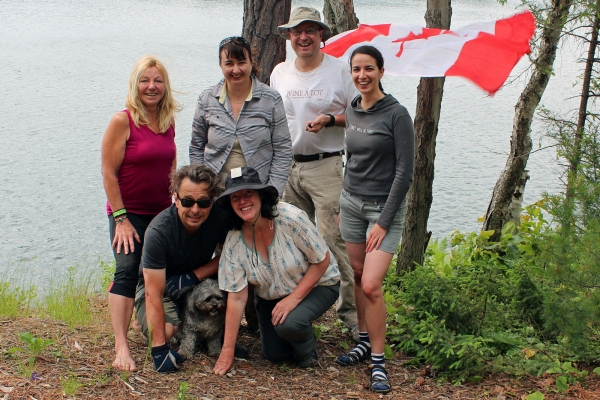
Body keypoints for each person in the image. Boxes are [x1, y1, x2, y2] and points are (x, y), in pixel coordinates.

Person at [270, 6, 359, 336]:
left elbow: (362, 114)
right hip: (289, 169)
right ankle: (299, 311)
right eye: (296, 31)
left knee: (335, 243)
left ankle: (350, 318)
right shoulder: (280, 72)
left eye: (310, 30)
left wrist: (330, 120)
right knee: (292, 245)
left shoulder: (340, 71)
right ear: (289, 37)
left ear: (321, 34)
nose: (303, 37)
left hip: (327, 167)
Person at [334, 46, 414, 394]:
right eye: (356, 70)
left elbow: (405, 172)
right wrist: (342, 204)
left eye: (369, 69)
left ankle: (379, 363)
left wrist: (383, 220)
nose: (362, 75)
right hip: (350, 203)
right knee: (354, 273)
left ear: (381, 71)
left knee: (370, 285)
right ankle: (363, 341)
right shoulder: (352, 108)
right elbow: (352, 156)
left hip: (384, 210)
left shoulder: (397, 114)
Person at [212, 167, 340, 374]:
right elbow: (236, 298)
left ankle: (307, 351)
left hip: (319, 284)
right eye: (235, 197)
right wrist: (227, 351)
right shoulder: (234, 240)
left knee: (289, 324)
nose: (242, 201)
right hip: (270, 296)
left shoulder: (290, 218)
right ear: (229, 204)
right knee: (274, 355)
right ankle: (292, 329)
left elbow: (322, 260)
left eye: (248, 193)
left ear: (261, 195)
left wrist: (293, 300)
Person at [101, 55, 179, 372]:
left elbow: (170, 164)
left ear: (165, 86)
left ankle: (143, 317)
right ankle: (121, 347)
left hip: (161, 213)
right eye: (145, 81)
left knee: (156, 271)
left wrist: (176, 194)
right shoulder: (123, 121)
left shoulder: (167, 121)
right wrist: (120, 219)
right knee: (127, 268)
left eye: (157, 81)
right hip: (127, 212)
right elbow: (108, 172)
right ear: (136, 85)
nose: (152, 86)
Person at [134, 165, 229, 372]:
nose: (195, 210)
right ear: (175, 199)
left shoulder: (218, 218)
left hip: (197, 285)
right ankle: (144, 319)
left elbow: (232, 254)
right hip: (161, 287)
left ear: (212, 201)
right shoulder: (159, 231)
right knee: (168, 331)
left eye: (203, 202)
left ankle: (225, 338)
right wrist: (159, 350)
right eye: (187, 201)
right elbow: (153, 292)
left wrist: (193, 277)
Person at [189, 36, 292, 197]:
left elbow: (283, 151)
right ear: (221, 65)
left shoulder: (271, 99)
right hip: (215, 193)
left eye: (241, 62)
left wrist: (272, 193)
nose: (236, 70)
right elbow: (196, 146)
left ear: (251, 62)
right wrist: (201, 188)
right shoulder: (206, 99)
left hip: (257, 192)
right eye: (229, 63)